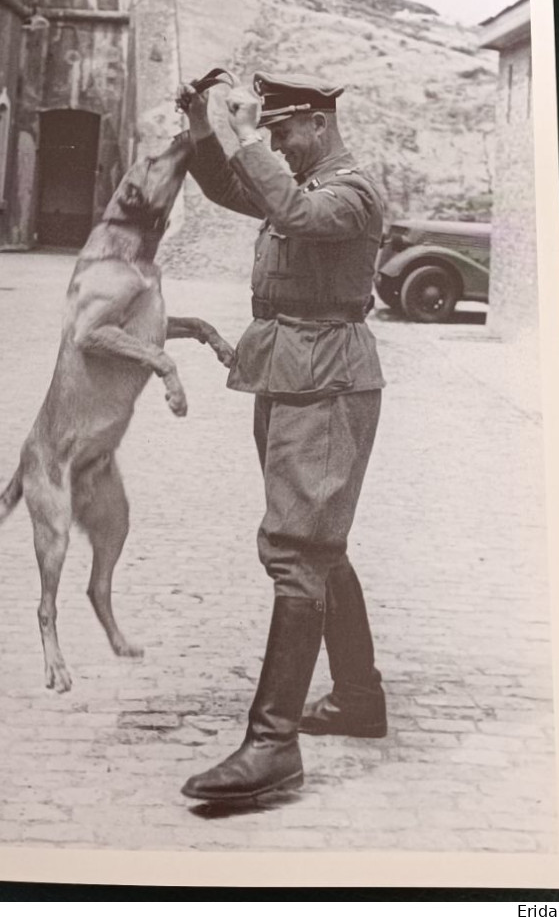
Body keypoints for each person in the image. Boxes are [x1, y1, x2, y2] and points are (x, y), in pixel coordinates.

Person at [175, 71, 387, 802]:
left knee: (298, 549)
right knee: (320, 544)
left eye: (283, 131)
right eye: (268, 133)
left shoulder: (351, 188)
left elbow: (291, 210)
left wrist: (238, 132)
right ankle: (359, 697)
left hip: (326, 377)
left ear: (321, 124)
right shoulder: (298, 180)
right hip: (294, 372)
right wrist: (204, 125)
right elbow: (227, 188)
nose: (276, 144)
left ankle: (273, 746)